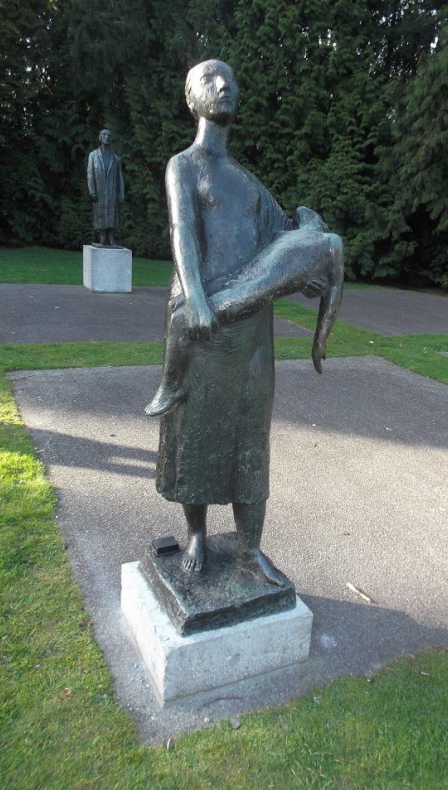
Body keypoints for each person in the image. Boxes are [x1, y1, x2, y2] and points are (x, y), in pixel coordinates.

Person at [153, 60, 343, 585]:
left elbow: (282, 242)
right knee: (195, 431)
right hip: (203, 318)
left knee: (248, 436)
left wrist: (310, 264)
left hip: (253, 330)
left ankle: (249, 550)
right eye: (210, 80)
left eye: (231, 79)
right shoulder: (184, 166)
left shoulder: (251, 185)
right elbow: (182, 232)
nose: (224, 86)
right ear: (193, 98)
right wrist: (194, 296)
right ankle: (195, 534)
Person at [87, 129, 125, 246]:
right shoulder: (93, 156)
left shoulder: (116, 159)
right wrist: (92, 191)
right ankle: (102, 237)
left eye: (109, 135)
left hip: (112, 192)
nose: (106, 137)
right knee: (100, 213)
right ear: (100, 137)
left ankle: (111, 237)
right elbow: (90, 174)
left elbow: (120, 178)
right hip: (99, 191)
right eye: (104, 134)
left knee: (112, 213)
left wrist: (121, 194)